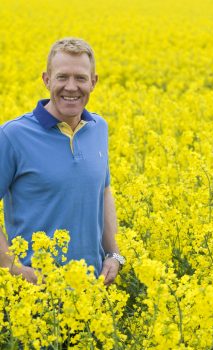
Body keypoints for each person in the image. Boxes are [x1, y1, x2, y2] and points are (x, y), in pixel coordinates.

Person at [0, 37, 125, 286]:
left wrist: (113, 254)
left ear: (93, 82)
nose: (71, 87)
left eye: (80, 78)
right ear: (47, 80)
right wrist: (12, 267)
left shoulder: (98, 128)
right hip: (34, 294)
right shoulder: (12, 135)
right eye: (62, 77)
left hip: (94, 288)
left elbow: (104, 190)